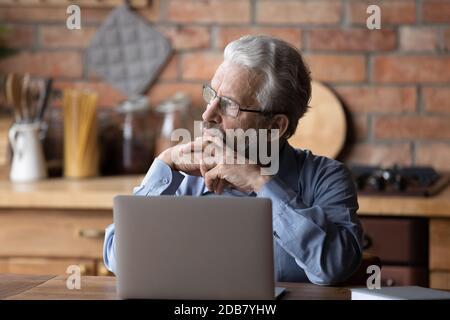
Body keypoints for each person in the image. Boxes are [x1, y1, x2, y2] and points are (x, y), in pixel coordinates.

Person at [104, 35, 363, 285]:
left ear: (275, 126)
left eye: (228, 105)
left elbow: (333, 269)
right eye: (211, 95)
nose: (207, 114)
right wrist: (164, 163)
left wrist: (259, 182)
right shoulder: (183, 178)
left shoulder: (326, 178)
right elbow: (119, 260)